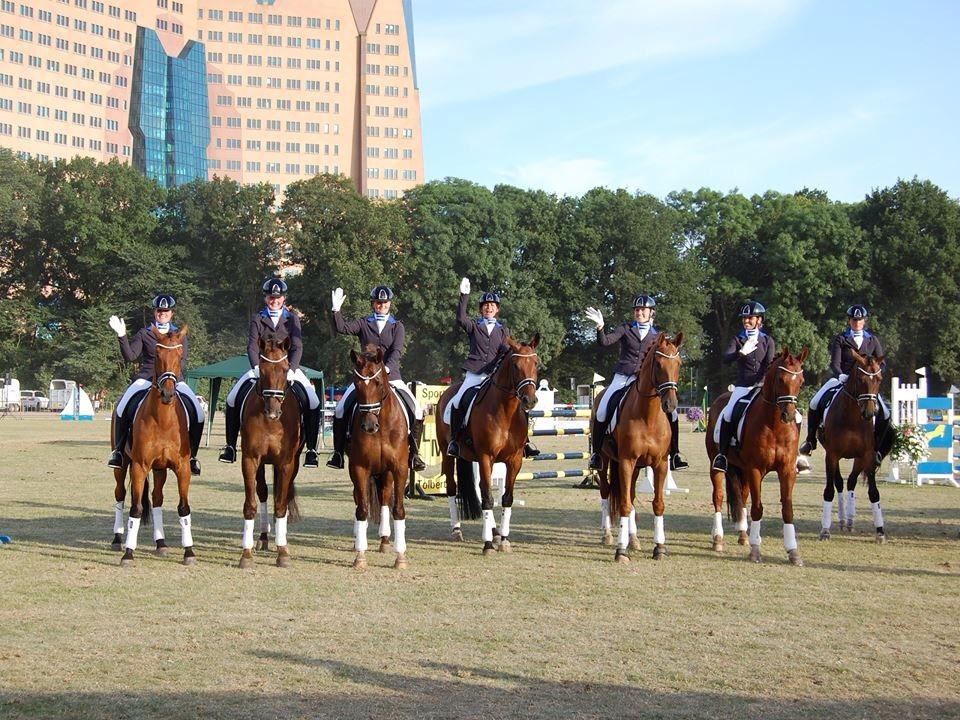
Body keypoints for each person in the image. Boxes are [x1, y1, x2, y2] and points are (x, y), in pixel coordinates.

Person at [217, 277, 322, 468]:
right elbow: (251, 346)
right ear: (266, 299)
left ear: (283, 299)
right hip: (262, 368)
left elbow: (297, 347)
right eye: (271, 297)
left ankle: (312, 450)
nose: (274, 301)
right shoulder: (258, 318)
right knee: (232, 398)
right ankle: (230, 446)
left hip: (286, 368)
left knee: (313, 401)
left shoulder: (292, 319)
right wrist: (256, 367)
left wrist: (292, 369)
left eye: (278, 298)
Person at [326, 284, 426, 471]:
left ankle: (414, 454)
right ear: (373, 304)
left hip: (391, 376)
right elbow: (342, 328)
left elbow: (397, 350)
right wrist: (336, 311)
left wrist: (387, 368)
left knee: (417, 410)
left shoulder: (397, 326)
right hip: (366, 377)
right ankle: (338, 454)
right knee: (340, 409)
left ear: (389, 304)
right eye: (379, 302)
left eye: (385, 302)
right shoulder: (364, 323)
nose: (382, 305)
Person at [584, 293, 688, 470]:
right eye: (637, 309)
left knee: (673, 413)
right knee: (601, 410)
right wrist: (600, 327)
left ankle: (675, 453)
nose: (639, 312)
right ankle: (597, 455)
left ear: (651, 313)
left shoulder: (658, 336)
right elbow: (605, 342)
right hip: (623, 377)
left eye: (643, 310)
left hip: (645, 380)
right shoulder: (625, 328)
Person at [107, 294, 205, 475]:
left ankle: (191, 457)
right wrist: (122, 336)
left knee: (198, 413)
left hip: (174, 380)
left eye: (166, 311)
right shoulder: (145, 333)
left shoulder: (179, 336)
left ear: (171, 313)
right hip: (145, 378)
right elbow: (130, 356)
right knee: (122, 407)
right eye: (159, 311)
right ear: (155, 312)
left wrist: (170, 378)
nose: (162, 314)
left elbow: (181, 361)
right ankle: (119, 452)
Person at [444, 277, 539, 459]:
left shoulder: (503, 330)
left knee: (519, 403)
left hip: (495, 376)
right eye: (486, 305)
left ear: (497, 309)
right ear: (481, 309)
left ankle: (524, 441)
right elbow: (460, 318)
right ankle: (455, 441)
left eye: (492, 305)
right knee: (458, 402)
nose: (489, 308)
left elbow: (505, 351)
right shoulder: (473, 326)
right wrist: (464, 296)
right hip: (475, 374)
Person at [798, 303, 890, 464]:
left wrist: (873, 374)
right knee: (814, 402)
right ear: (849, 321)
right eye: (854, 320)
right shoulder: (841, 338)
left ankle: (877, 449)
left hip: (865, 383)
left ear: (864, 321)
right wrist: (841, 375)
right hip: (843, 379)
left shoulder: (872, 340)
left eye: (860, 320)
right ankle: (810, 440)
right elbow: (835, 362)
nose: (857, 323)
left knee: (886, 413)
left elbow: (881, 363)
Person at [711, 300, 776, 473]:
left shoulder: (767, 340)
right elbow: (725, 358)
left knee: (792, 413)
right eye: (745, 318)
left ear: (759, 320)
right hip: (743, 385)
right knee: (728, 413)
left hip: (763, 386)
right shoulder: (738, 338)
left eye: (750, 318)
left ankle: (794, 455)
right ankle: (722, 456)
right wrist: (740, 353)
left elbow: (769, 364)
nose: (746, 321)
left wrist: (763, 381)